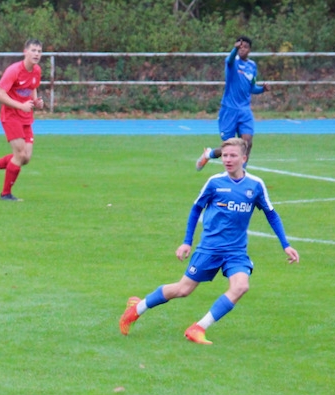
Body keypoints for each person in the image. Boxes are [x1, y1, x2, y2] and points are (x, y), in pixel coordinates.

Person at [119, 138, 299, 345]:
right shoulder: (215, 183)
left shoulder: (255, 185)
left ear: (244, 158)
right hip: (209, 249)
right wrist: (187, 241)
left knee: (241, 286)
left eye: (233, 156)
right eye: (224, 155)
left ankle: (198, 328)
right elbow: (196, 209)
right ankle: (136, 308)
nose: (227, 160)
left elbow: (271, 214)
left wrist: (286, 245)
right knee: (183, 290)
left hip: (236, 252)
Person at [0, 39, 44, 201]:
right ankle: (5, 194)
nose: (36, 54)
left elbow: (33, 87)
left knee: (25, 158)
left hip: (26, 117)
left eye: (39, 51)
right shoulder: (14, 70)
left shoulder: (37, 70)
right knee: (19, 154)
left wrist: (36, 101)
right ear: (25, 52)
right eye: (33, 50)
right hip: (11, 117)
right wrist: (21, 106)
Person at [196, 36, 269, 171]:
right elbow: (229, 60)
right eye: (240, 47)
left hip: (245, 110)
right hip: (229, 109)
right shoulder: (232, 62)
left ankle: (242, 172)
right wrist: (234, 49)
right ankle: (209, 154)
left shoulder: (252, 66)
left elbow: (251, 87)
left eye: (245, 47)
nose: (242, 49)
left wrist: (262, 89)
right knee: (229, 148)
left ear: (250, 50)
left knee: (247, 143)